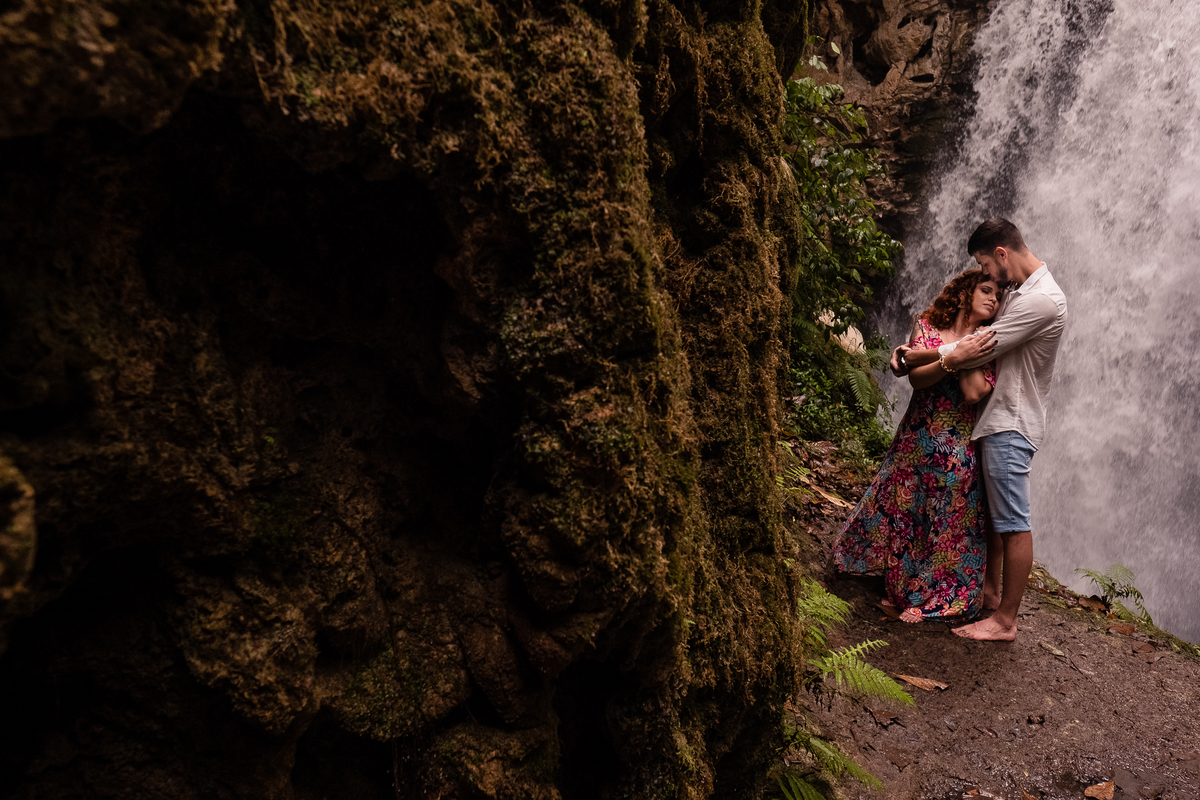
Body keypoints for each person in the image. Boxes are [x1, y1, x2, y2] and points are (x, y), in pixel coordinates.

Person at [890, 218, 1067, 642]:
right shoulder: (1020, 292)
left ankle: (1005, 621)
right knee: (994, 518)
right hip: (995, 419)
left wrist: (911, 356)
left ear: (1002, 255)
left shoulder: (1042, 300)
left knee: (1012, 522)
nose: (986, 276)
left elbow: (976, 348)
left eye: (985, 265)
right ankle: (989, 593)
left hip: (1011, 421)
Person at [834, 270, 1002, 623]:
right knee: (906, 511)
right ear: (963, 292)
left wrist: (947, 354)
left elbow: (972, 392)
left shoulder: (988, 341)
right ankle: (900, 578)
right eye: (986, 291)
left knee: (946, 522)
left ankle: (931, 593)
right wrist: (952, 357)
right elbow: (913, 375)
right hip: (916, 438)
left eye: (998, 296)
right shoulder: (925, 325)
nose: (993, 300)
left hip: (956, 447)